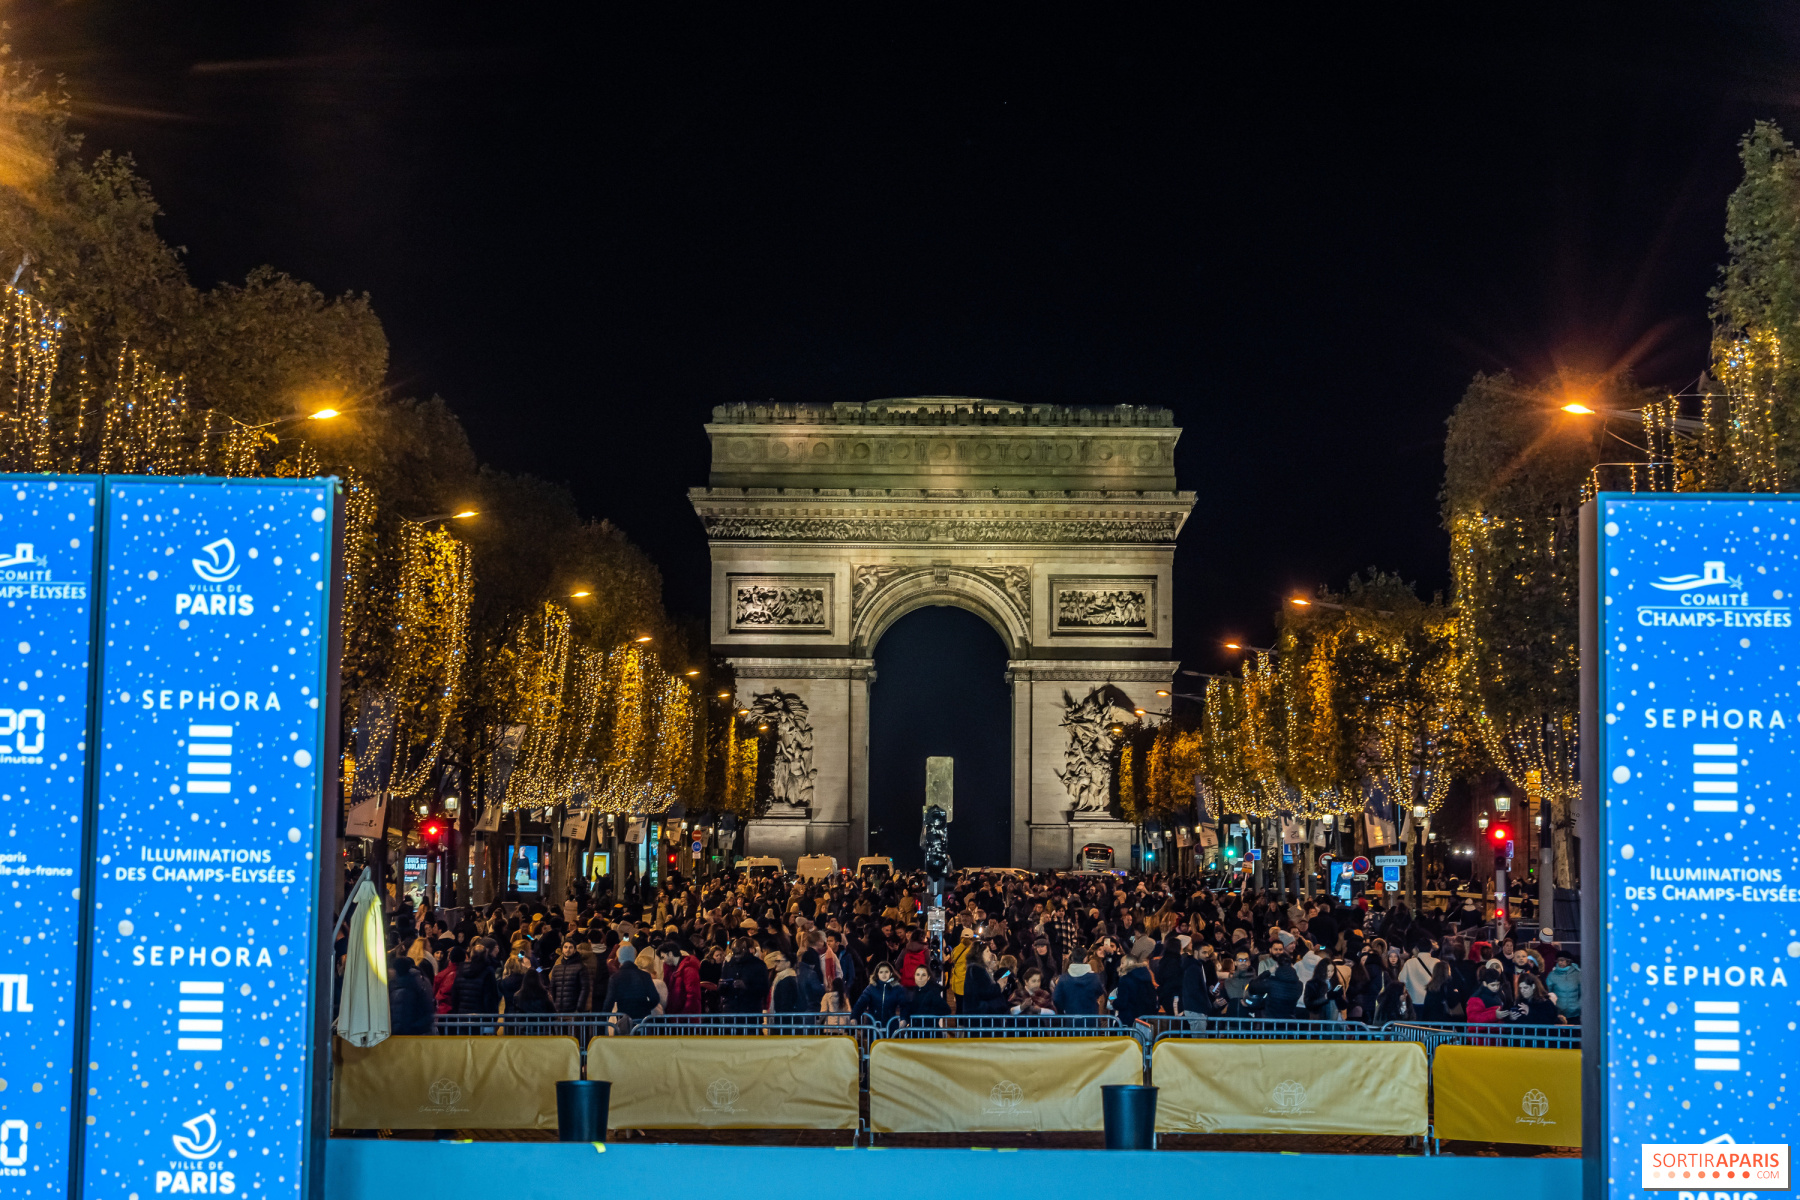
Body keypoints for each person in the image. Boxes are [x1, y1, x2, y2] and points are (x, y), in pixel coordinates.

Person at [602, 945, 663, 1020]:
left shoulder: (615, 978)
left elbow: (609, 1002)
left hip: (624, 1018)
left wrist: (604, 1018)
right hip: (642, 1018)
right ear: (634, 957)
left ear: (620, 958)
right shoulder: (645, 976)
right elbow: (655, 998)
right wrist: (645, 1008)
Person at [387, 954, 436, 1035]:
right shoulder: (420, 980)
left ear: (396, 969)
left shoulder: (403, 986)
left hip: (407, 1033)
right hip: (418, 1030)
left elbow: (402, 1013)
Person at [450, 945, 502, 1015]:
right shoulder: (488, 971)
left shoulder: (461, 970)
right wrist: (493, 1016)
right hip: (481, 1017)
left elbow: (455, 995)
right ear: (485, 955)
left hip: (463, 1016)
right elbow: (490, 996)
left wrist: (456, 1012)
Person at [1112, 951, 1160, 1026]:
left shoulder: (1125, 979)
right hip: (1144, 1019)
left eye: (1122, 963)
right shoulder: (1146, 977)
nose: (1120, 966)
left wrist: (1113, 1003)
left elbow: (1122, 1003)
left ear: (1128, 964)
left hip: (1128, 1019)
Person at [1052, 951, 1105, 1016]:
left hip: (1070, 1017)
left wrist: (1063, 1010)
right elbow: (1100, 991)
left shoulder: (1063, 978)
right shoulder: (1094, 977)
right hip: (1090, 1017)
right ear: (1085, 958)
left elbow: (1056, 998)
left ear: (1072, 959)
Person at [548, 939, 592, 1014]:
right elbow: (552, 988)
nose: (568, 950)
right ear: (562, 950)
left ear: (575, 950)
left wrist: (579, 1008)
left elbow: (585, 989)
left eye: (570, 947)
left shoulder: (581, 967)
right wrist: (553, 1005)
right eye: (565, 947)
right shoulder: (557, 968)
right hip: (558, 1009)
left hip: (573, 1010)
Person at [661, 941, 702, 1015]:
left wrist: (683, 1015)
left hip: (685, 1019)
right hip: (678, 1017)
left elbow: (693, 995)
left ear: (670, 954)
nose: (663, 961)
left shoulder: (688, 968)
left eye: (663, 957)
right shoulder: (672, 969)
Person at [1545, 954, 1581, 1023]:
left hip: (1575, 1013)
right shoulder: (1552, 975)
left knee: (1574, 1033)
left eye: (1562, 960)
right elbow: (1547, 993)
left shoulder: (1578, 974)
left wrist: (1579, 1006)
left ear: (1568, 961)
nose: (1560, 962)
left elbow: (1582, 993)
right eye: (1558, 960)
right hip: (1558, 1014)